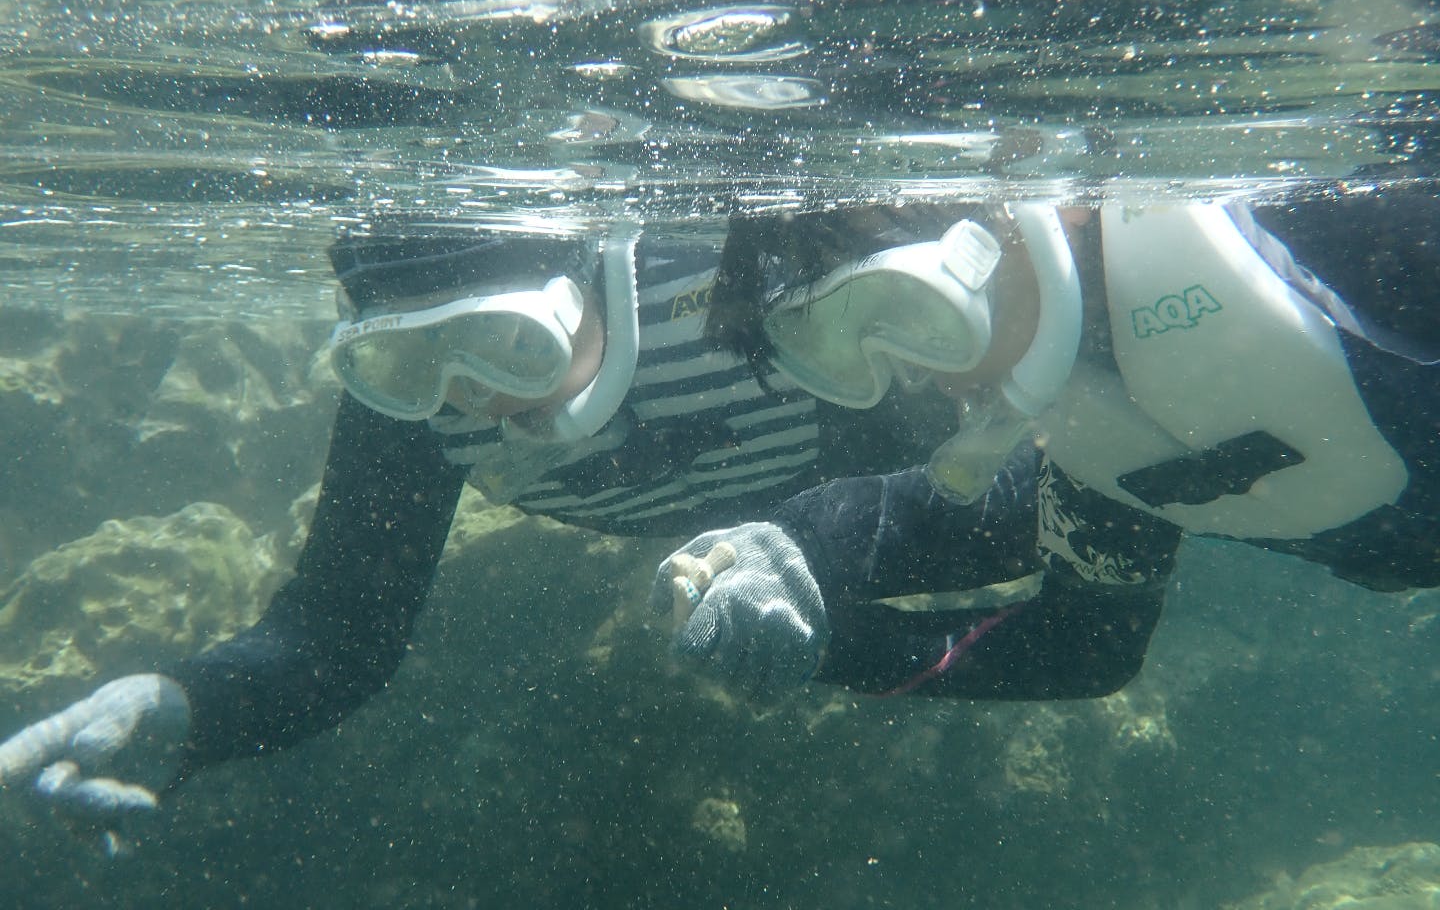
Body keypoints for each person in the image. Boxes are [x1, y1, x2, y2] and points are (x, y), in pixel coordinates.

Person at [0, 214, 964, 843]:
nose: (473, 396)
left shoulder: (756, 280)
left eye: (509, 342)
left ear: (596, 282)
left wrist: (821, 576)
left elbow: (962, 478)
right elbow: (339, 634)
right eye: (407, 360)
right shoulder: (415, 412)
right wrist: (189, 706)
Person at [651, 189, 1440, 701]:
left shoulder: (1348, 229)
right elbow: (1083, 641)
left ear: (1031, 210)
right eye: (835, 350)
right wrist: (802, 577)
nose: (908, 372)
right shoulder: (1093, 441)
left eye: (898, 303)